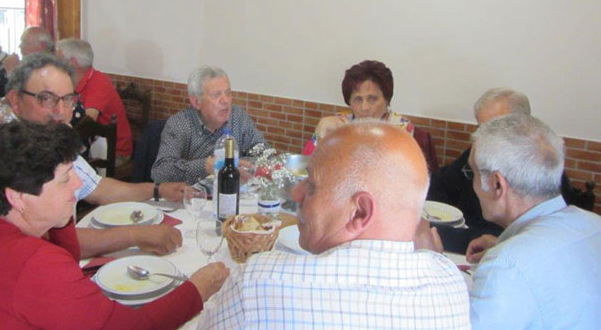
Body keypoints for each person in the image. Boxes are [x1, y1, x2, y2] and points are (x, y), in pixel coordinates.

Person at [0, 120, 229, 329]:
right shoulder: (33, 263)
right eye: (65, 179)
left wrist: (59, 218)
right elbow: (131, 326)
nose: (77, 185)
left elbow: (67, 258)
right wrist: (197, 289)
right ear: (18, 197)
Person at [197, 121, 470, 329]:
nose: (296, 193)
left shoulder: (259, 283)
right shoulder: (449, 283)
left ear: (360, 213)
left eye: (312, 185)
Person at [0, 53, 188, 258]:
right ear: (16, 101)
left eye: (68, 99)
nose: (61, 112)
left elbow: (98, 188)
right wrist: (135, 235)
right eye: (46, 98)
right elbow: (54, 244)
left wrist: (158, 189)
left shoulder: (53, 138)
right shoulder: (4, 155)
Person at [462, 114, 601, 329]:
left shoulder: (506, 265)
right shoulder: (594, 223)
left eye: (472, 173)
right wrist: (505, 244)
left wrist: (433, 267)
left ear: (497, 184)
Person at [427, 88, 580, 253]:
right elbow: (440, 184)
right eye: (481, 128)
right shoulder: (478, 153)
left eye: (495, 128)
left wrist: (437, 233)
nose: (486, 137)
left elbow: (525, 239)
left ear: (524, 125)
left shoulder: (545, 171)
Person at [152, 65, 267, 186]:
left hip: (233, 191)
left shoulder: (238, 117)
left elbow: (265, 152)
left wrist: (238, 164)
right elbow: (161, 172)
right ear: (197, 102)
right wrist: (206, 166)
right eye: (216, 95)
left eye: (228, 93)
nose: (225, 100)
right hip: (193, 195)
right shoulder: (179, 124)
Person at [303, 60, 413, 155]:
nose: (364, 108)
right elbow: (308, 162)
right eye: (358, 99)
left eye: (372, 99)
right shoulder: (341, 122)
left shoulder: (400, 127)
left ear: (386, 99)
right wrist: (318, 133)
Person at [56, 38, 133, 168]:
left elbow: (87, 122)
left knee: (56, 165)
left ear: (72, 63)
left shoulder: (99, 82)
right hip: (90, 145)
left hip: (113, 152)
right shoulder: (72, 81)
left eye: (58, 59)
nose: (53, 63)